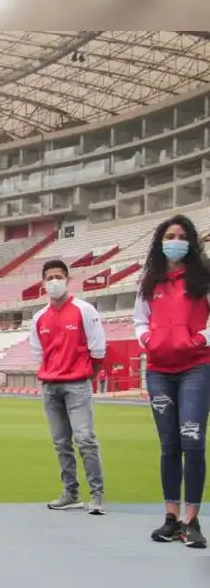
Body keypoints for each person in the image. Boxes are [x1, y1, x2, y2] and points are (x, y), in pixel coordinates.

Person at [133, 214, 209, 549]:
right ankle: (170, 517)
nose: (175, 241)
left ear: (191, 242)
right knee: (169, 446)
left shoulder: (204, 279)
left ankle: (192, 522)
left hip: (196, 368)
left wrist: (199, 340)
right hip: (159, 371)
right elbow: (139, 321)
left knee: (192, 442)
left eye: (181, 236)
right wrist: (148, 341)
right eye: (169, 236)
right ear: (159, 243)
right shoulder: (149, 282)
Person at [29, 259, 107, 515]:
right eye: (49, 278)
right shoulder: (39, 318)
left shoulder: (84, 310)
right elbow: (39, 354)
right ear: (43, 283)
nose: (54, 282)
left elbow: (98, 350)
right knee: (61, 443)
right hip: (50, 387)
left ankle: (97, 494)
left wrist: (85, 378)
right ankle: (71, 493)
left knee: (85, 440)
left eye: (58, 277)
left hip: (77, 385)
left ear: (68, 279)